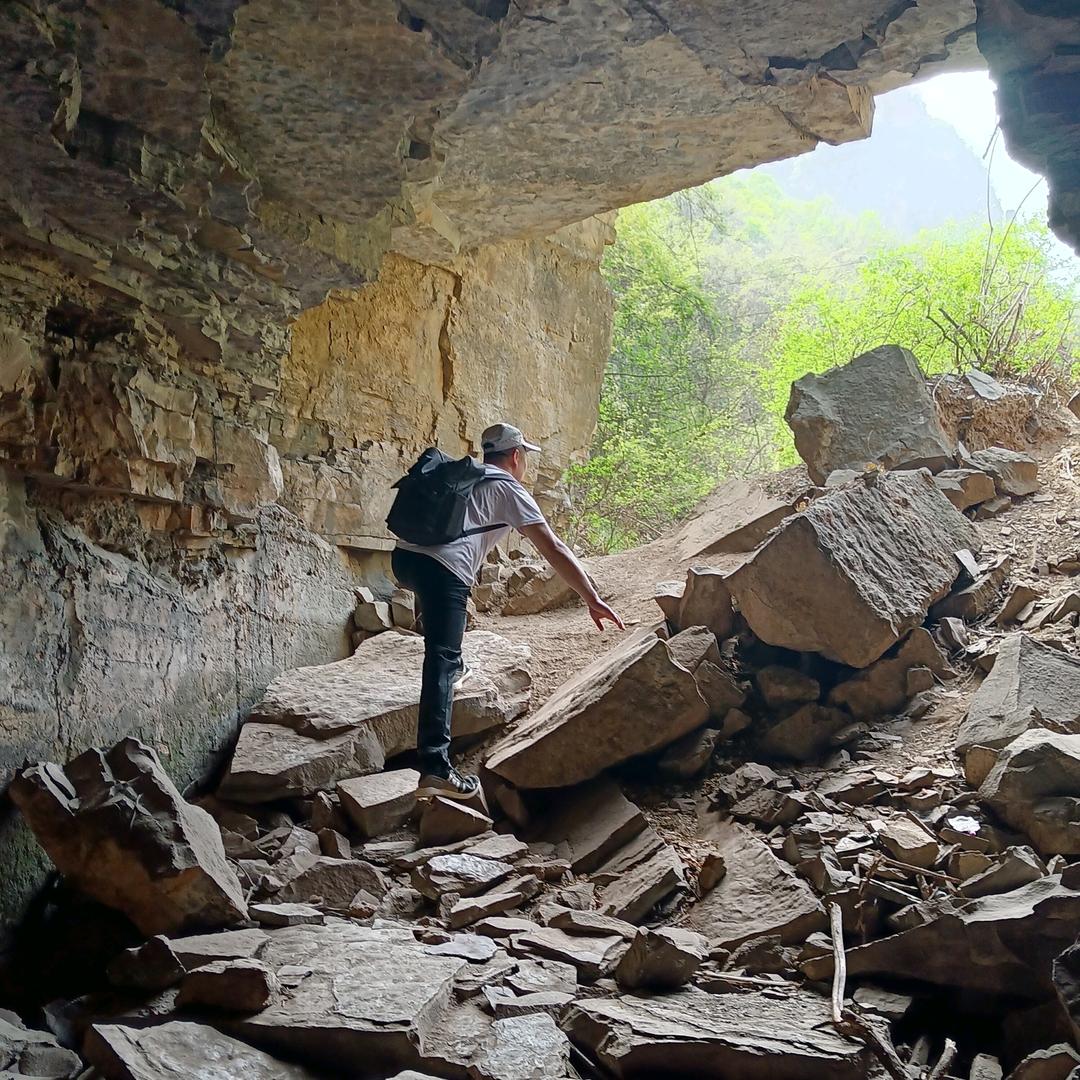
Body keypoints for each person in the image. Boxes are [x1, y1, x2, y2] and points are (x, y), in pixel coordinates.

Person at [392, 422, 624, 799]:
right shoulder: (508, 488)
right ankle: (435, 767)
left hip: (404, 560)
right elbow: (554, 549)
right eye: (525, 457)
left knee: (442, 634)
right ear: (516, 456)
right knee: (442, 659)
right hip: (442, 570)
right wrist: (591, 597)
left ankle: (449, 659)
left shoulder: (466, 475)